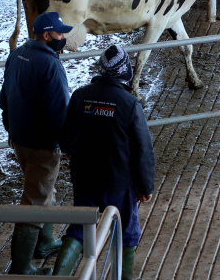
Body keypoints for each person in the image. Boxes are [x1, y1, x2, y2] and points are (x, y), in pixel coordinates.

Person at [53, 45, 155, 280]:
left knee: (79, 227)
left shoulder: (80, 95)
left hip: (85, 177)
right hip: (119, 181)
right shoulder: (130, 104)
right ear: (124, 71)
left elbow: (67, 138)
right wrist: (145, 186)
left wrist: (73, 154)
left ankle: (59, 276)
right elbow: (143, 149)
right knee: (126, 230)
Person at [0, 11, 74, 275]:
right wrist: (67, 144)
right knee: (34, 200)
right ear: (46, 35)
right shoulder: (50, 65)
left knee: (43, 190)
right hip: (42, 144)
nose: (63, 37)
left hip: (20, 139)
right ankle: (21, 268)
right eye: (60, 33)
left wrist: (10, 128)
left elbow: (4, 97)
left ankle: (44, 242)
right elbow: (59, 110)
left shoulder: (15, 55)